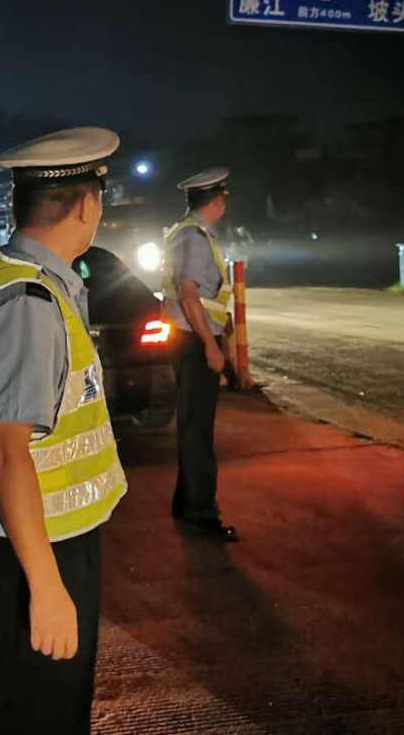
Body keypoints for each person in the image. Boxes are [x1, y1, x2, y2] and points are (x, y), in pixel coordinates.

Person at [0, 127, 127, 735]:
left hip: (32, 541)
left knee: (46, 713)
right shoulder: (28, 299)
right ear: (86, 204)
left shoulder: (22, 275)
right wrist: (46, 588)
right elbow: (5, 450)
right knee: (40, 718)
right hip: (31, 553)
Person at [161, 167, 238, 542]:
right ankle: (200, 511)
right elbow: (190, 295)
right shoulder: (192, 238)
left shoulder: (189, 234)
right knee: (197, 430)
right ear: (218, 198)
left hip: (190, 337)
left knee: (194, 425)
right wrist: (211, 347)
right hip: (194, 340)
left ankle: (186, 502)